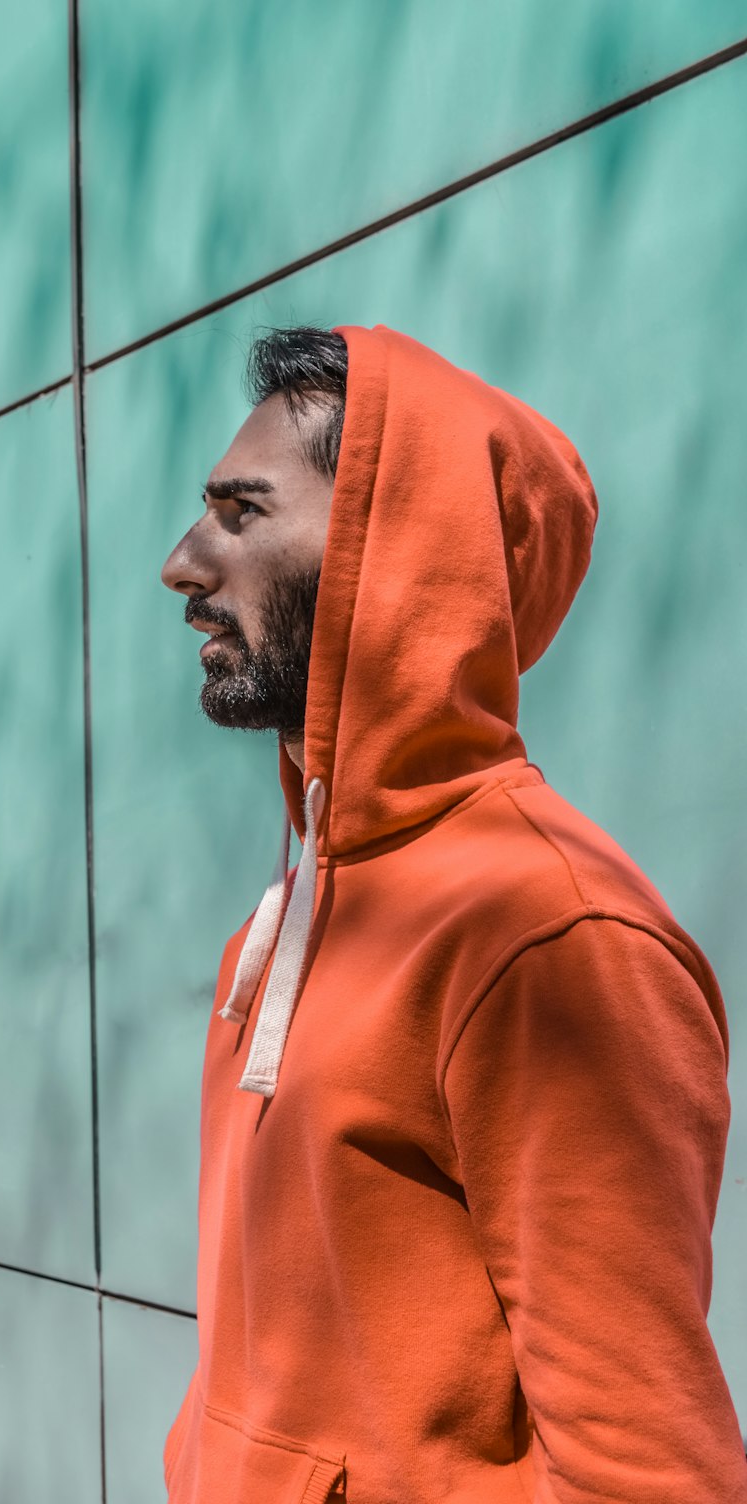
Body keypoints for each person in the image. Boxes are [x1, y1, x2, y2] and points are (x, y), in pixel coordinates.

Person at [158, 323, 747, 1503]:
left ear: (389, 545)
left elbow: (646, 1475)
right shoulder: (292, 912)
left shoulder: (548, 938)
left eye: (240, 511)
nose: (182, 563)